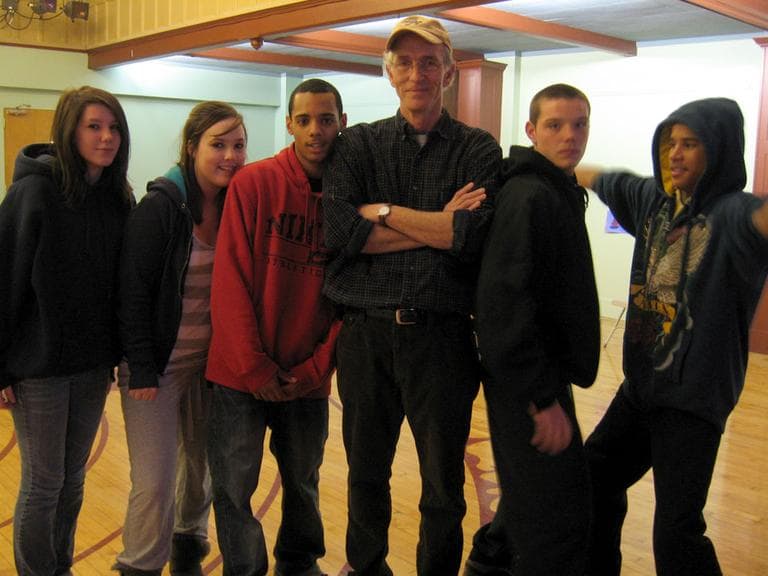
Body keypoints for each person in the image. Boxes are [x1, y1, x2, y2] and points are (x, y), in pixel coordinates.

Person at [322, 15, 501, 576]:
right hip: (365, 338)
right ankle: (367, 568)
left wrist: (380, 212)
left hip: (441, 341)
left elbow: (467, 238)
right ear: (388, 71)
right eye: (405, 61)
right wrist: (436, 222)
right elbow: (342, 233)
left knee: (442, 487)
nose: (417, 72)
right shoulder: (358, 144)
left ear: (448, 73)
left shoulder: (477, 149)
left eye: (429, 62)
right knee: (365, 475)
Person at [576, 97, 768, 576]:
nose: (674, 155)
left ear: (718, 150)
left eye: (690, 144)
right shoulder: (652, 202)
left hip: (693, 403)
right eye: (668, 144)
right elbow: (594, 175)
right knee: (595, 481)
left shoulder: (736, 216)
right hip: (641, 393)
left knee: (676, 530)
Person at [204, 78, 346, 576]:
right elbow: (231, 279)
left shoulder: (350, 198)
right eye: (304, 120)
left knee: (303, 481)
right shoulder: (253, 183)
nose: (315, 131)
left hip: (306, 379)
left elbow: (350, 297)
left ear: (341, 124)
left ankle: (299, 563)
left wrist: (314, 370)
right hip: (239, 376)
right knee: (232, 489)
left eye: (326, 119)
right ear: (289, 124)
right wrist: (254, 366)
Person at [464, 83, 600, 576]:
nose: (570, 136)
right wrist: (542, 400)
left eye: (579, 124)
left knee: (534, 504)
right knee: (554, 523)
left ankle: (487, 562)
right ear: (531, 130)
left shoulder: (555, 189)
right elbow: (504, 307)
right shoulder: (530, 196)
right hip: (527, 385)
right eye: (555, 125)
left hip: (539, 377)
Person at [0, 86, 133, 576]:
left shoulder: (118, 198)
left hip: (92, 366)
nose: (106, 137)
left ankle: (60, 567)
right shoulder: (33, 192)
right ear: (69, 130)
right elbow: (6, 281)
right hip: (38, 368)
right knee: (43, 484)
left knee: (73, 481)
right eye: (94, 126)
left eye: (114, 127)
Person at [114, 101, 247, 576]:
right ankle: (139, 564)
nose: (229, 156)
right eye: (218, 145)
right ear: (192, 148)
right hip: (158, 367)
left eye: (238, 145)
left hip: (210, 366)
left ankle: (188, 548)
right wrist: (142, 366)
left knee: (201, 471)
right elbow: (132, 292)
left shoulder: (236, 204)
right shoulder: (161, 208)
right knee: (153, 481)